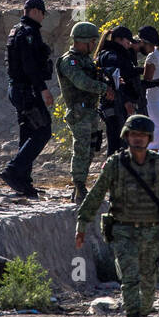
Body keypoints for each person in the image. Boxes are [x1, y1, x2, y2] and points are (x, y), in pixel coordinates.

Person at [74, 115, 159, 317]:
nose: (138, 139)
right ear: (126, 136)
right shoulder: (116, 164)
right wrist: (82, 225)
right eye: (134, 135)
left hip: (153, 234)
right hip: (123, 232)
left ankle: (139, 316)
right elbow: (96, 194)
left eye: (142, 136)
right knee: (130, 281)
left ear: (149, 139)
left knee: (149, 286)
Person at [0, 0, 54, 198]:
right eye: (42, 13)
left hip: (19, 90)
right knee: (43, 130)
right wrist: (43, 89)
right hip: (28, 90)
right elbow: (30, 65)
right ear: (35, 11)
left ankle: (23, 180)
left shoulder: (17, 31)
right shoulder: (28, 33)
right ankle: (14, 170)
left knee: (28, 133)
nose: (42, 18)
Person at [56, 21, 115, 203]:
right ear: (82, 41)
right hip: (78, 112)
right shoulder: (70, 61)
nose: (93, 46)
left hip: (89, 112)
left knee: (90, 149)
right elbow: (81, 82)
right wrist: (103, 88)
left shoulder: (86, 60)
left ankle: (80, 186)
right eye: (91, 42)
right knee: (81, 148)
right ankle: (79, 186)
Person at [96, 26, 141, 155]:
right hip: (113, 106)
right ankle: (111, 172)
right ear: (119, 40)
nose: (129, 45)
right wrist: (126, 101)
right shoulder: (111, 55)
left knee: (120, 144)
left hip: (115, 106)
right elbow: (115, 79)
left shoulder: (114, 54)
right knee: (116, 145)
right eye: (127, 42)